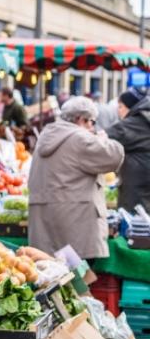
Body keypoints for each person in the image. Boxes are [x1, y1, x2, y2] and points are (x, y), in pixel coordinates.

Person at [28, 97, 124, 259]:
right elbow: (115, 156)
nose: (92, 127)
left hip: (46, 221)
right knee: (76, 276)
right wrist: (102, 140)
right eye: (92, 122)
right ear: (80, 119)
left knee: (56, 275)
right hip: (75, 223)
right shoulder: (79, 138)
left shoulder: (47, 136)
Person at [107, 91, 150, 212]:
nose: (118, 111)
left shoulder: (132, 124)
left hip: (137, 182)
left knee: (136, 220)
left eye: (120, 107)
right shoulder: (145, 118)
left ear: (129, 107)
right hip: (144, 177)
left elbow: (105, 138)